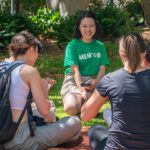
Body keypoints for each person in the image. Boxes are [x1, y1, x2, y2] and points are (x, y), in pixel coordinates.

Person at [2, 31, 81, 150]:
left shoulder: (2, 67)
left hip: (2, 136)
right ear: (31, 50)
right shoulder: (29, 71)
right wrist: (44, 88)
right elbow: (45, 112)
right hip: (21, 141)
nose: (37, 57)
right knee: (75, 122)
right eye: (37, 52)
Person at [81, 32, 150, 150]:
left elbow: (85, 115)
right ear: (144, 53)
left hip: (116, 147)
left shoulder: (110, 80)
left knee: (95, 129)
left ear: (121, 54)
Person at [61, 11, 110, 115]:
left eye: (91, 26)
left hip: (94, 80)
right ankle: (81, 100)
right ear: (79, 27)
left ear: (96, 27)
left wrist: (96, 81)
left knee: (113, 94)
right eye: (84, 26)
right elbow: (75, 71)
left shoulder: (100, 46)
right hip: (75, 80)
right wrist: (82, 90)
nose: (88, 29)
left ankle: (85, 102)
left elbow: (102, 70)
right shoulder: (72, 45)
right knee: (71, 108)